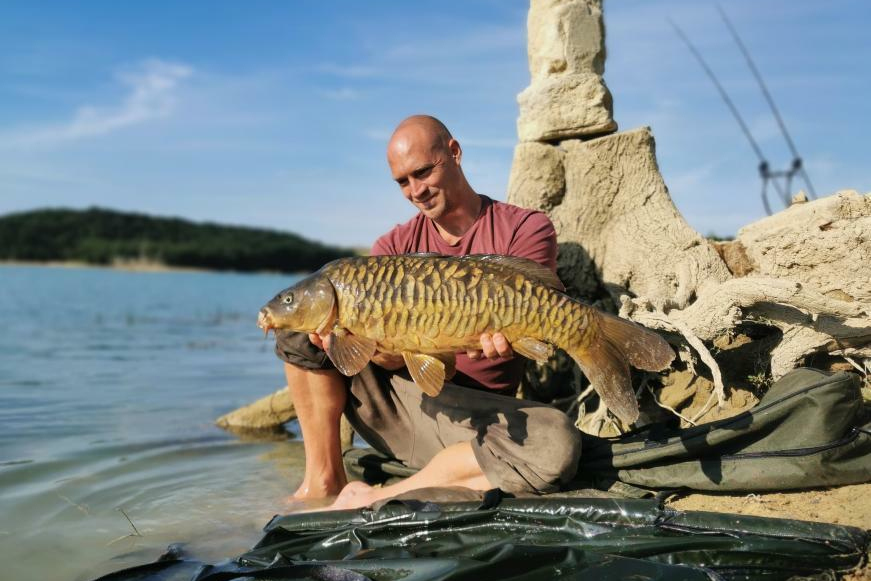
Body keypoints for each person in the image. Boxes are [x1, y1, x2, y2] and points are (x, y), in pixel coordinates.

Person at [274, 115, 581, 510]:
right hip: (404, 406)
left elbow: (540, 322)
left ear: (454, 153)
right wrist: (370, 348)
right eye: (403, 181)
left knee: (556, 440)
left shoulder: (524, 228)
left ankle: (375, 496)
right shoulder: (392, 246)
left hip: (479, 419)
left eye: (423, 172)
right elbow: (389, 360)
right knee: (300, 323)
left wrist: (517, 343)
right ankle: (324, 480)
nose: (415, 190)